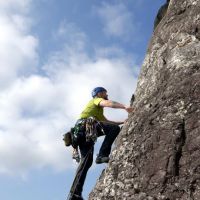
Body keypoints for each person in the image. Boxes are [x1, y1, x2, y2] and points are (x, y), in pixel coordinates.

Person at [69, 87, 133, 200]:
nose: (107, 94)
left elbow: (107, 122)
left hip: (81, 133)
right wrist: (124, 106)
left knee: (86, 162)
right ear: (99, 94)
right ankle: (102, 155)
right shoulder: (96, 100)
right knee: (114, 129)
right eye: (105, 92)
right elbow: (109, 103)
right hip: (85, 128)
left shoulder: (97, 112)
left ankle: (74, 194)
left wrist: (123, 122)